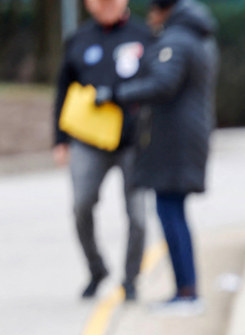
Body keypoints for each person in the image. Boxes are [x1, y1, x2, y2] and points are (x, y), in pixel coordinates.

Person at [96, 0, 218, 313]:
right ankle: (186, 290)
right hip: (183, 138)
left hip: (175, 140)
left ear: (163, 10)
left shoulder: (176, 40)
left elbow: (163, 84)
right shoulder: (193, 35)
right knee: (172, 211)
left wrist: (118, 94)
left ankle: (187, 293)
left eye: (152, 10)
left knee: (170, 212)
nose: (149, 18)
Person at [53, 0, 153, 301]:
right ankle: (96, 269)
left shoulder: (143, 35)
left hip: (132, 140)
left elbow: (158, 83)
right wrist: (60, 139)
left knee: (137, 214)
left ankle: (131, 279)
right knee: (81, 206)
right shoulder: (79, 38)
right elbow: (63, 89)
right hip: (88, 139)